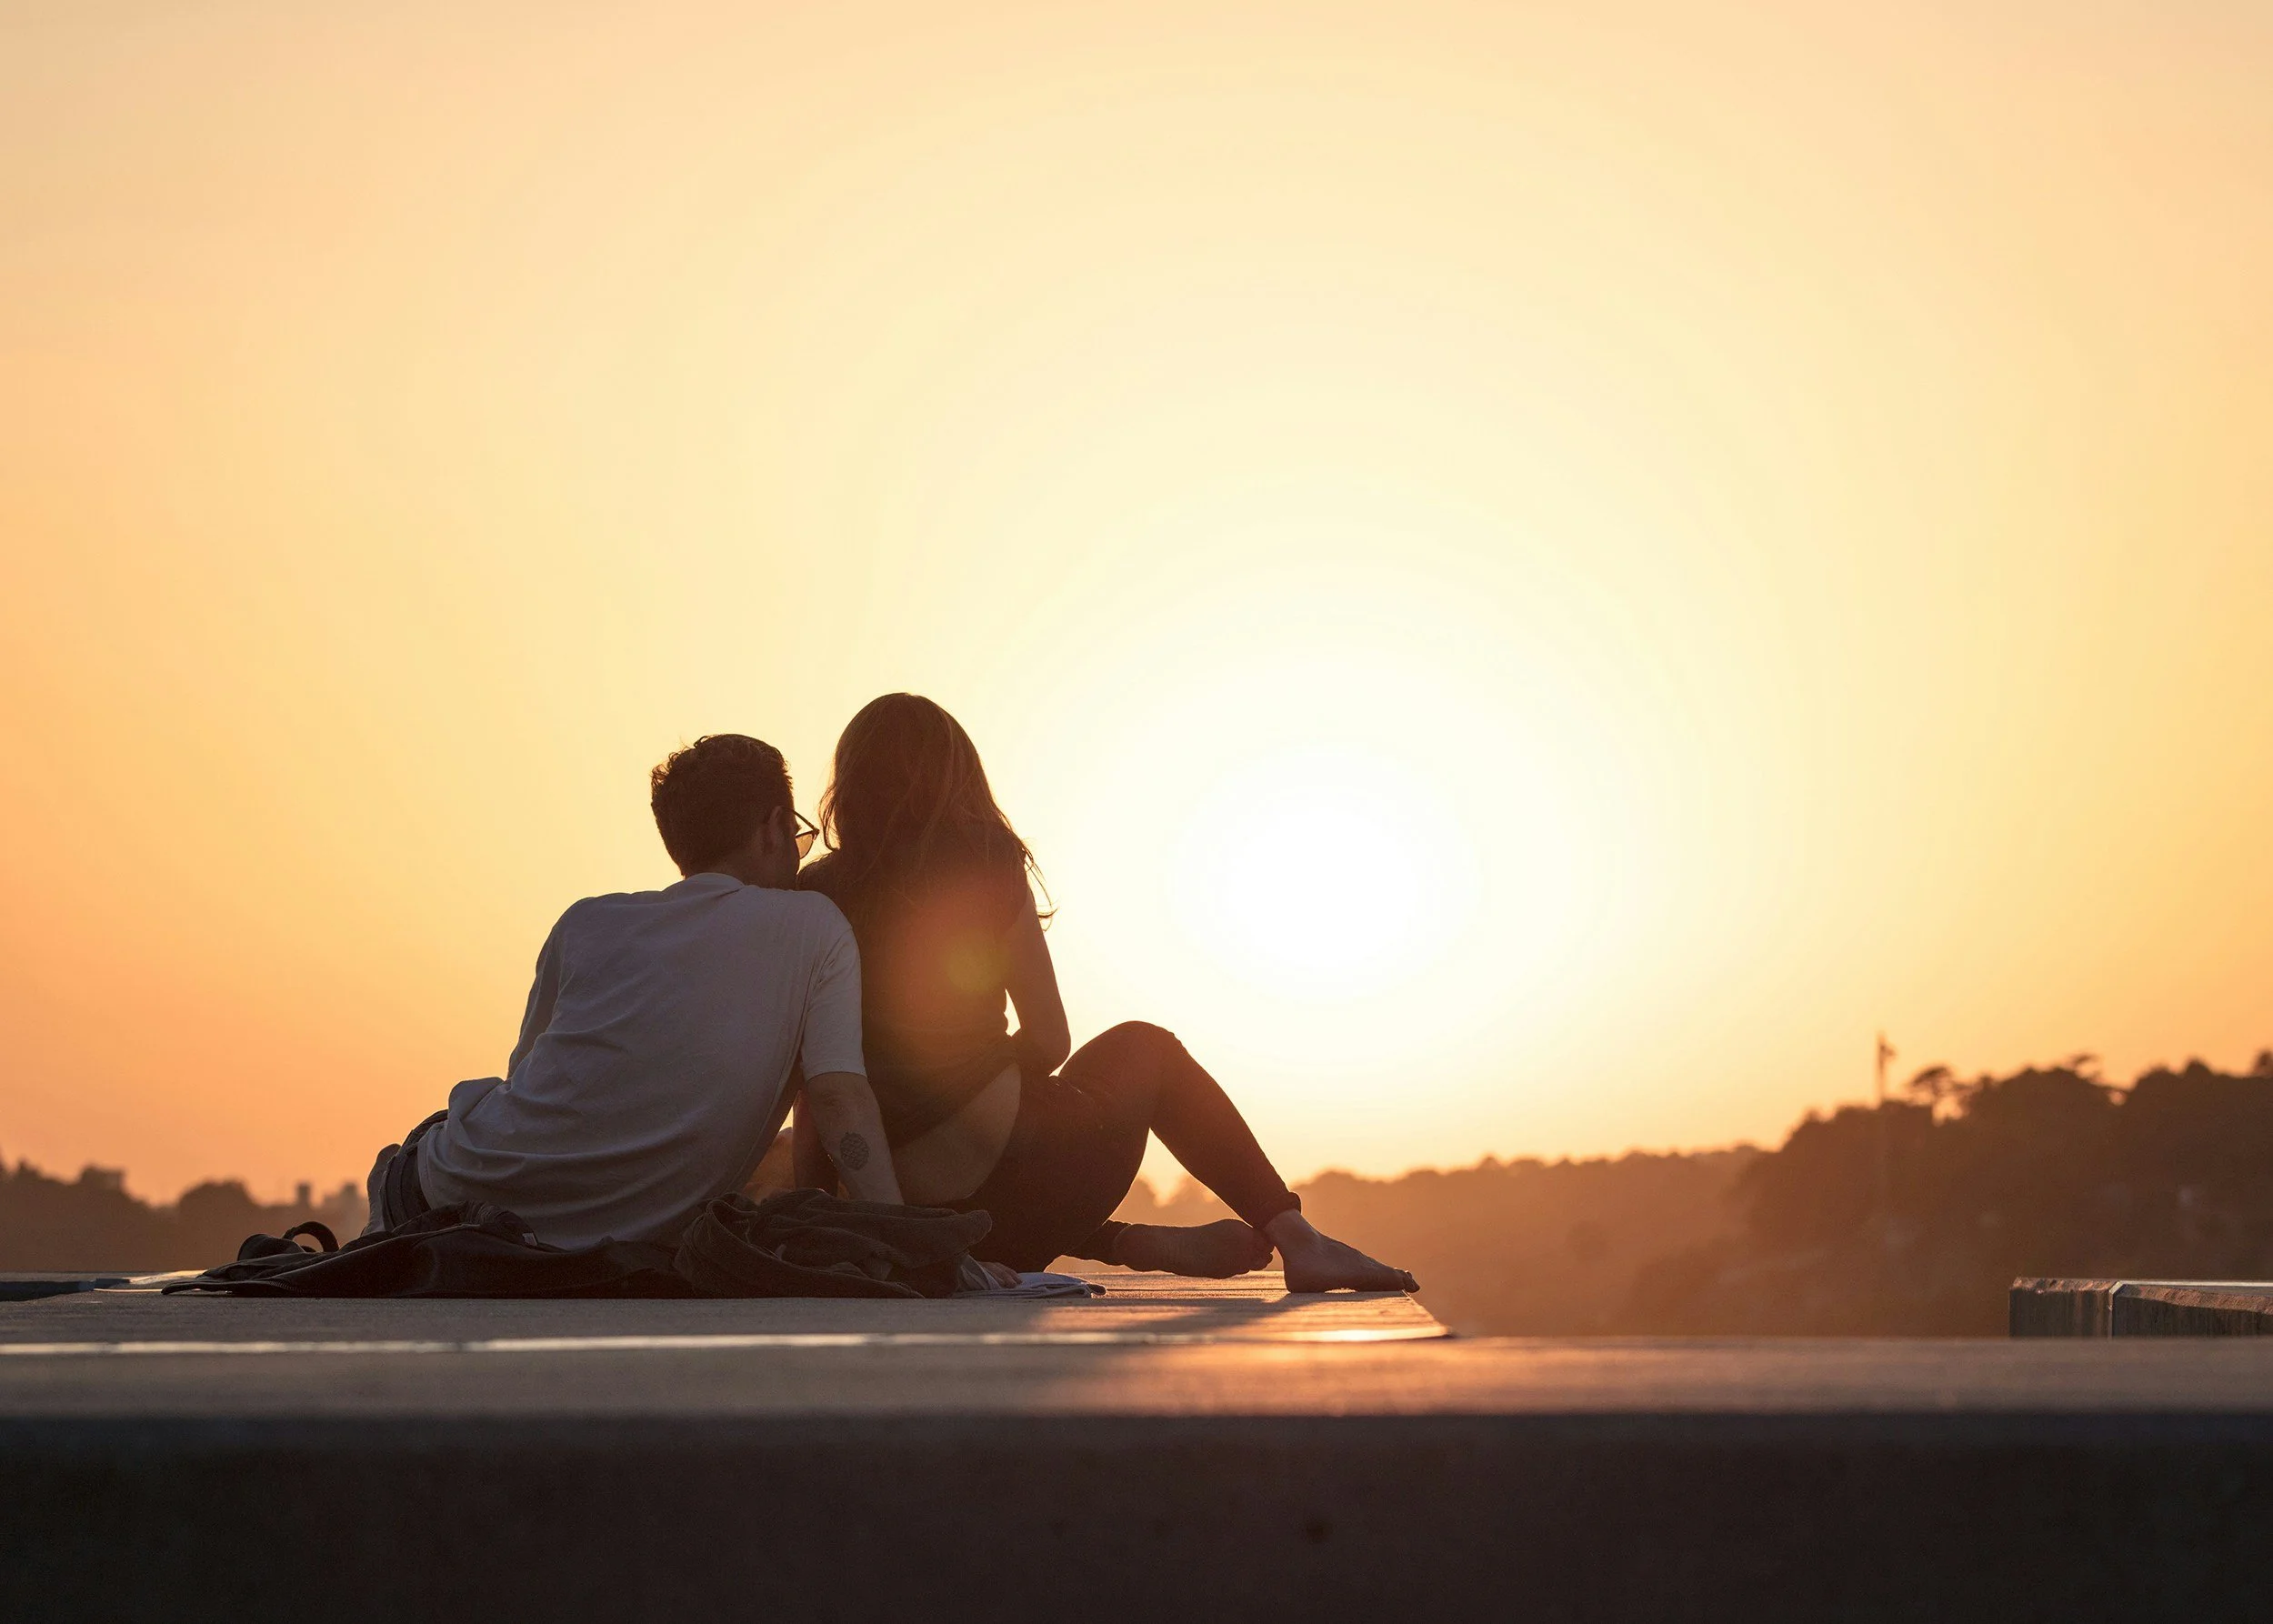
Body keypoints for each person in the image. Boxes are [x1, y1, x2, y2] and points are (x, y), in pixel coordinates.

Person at [794, 694, 1417, 1293]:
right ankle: (1299, 1241)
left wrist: (832, 1213)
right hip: (1022, 1180)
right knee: (1147, 1049)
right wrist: (989, 1083)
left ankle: (1117, 1241)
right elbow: (1050, 1037)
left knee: (991, 1189)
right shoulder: (986, 861)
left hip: (917, 1216)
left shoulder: (814, 895)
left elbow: (814, 1083)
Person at [362, 734, 920, 1255]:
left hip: (446, 1195)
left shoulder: (587, 923)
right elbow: (839, 1100)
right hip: (584, 1237)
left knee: (456, 1126)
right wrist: (914, 1249)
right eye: (798, 835)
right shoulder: (814, 927)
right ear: (775, 826)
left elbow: (533, 1085)